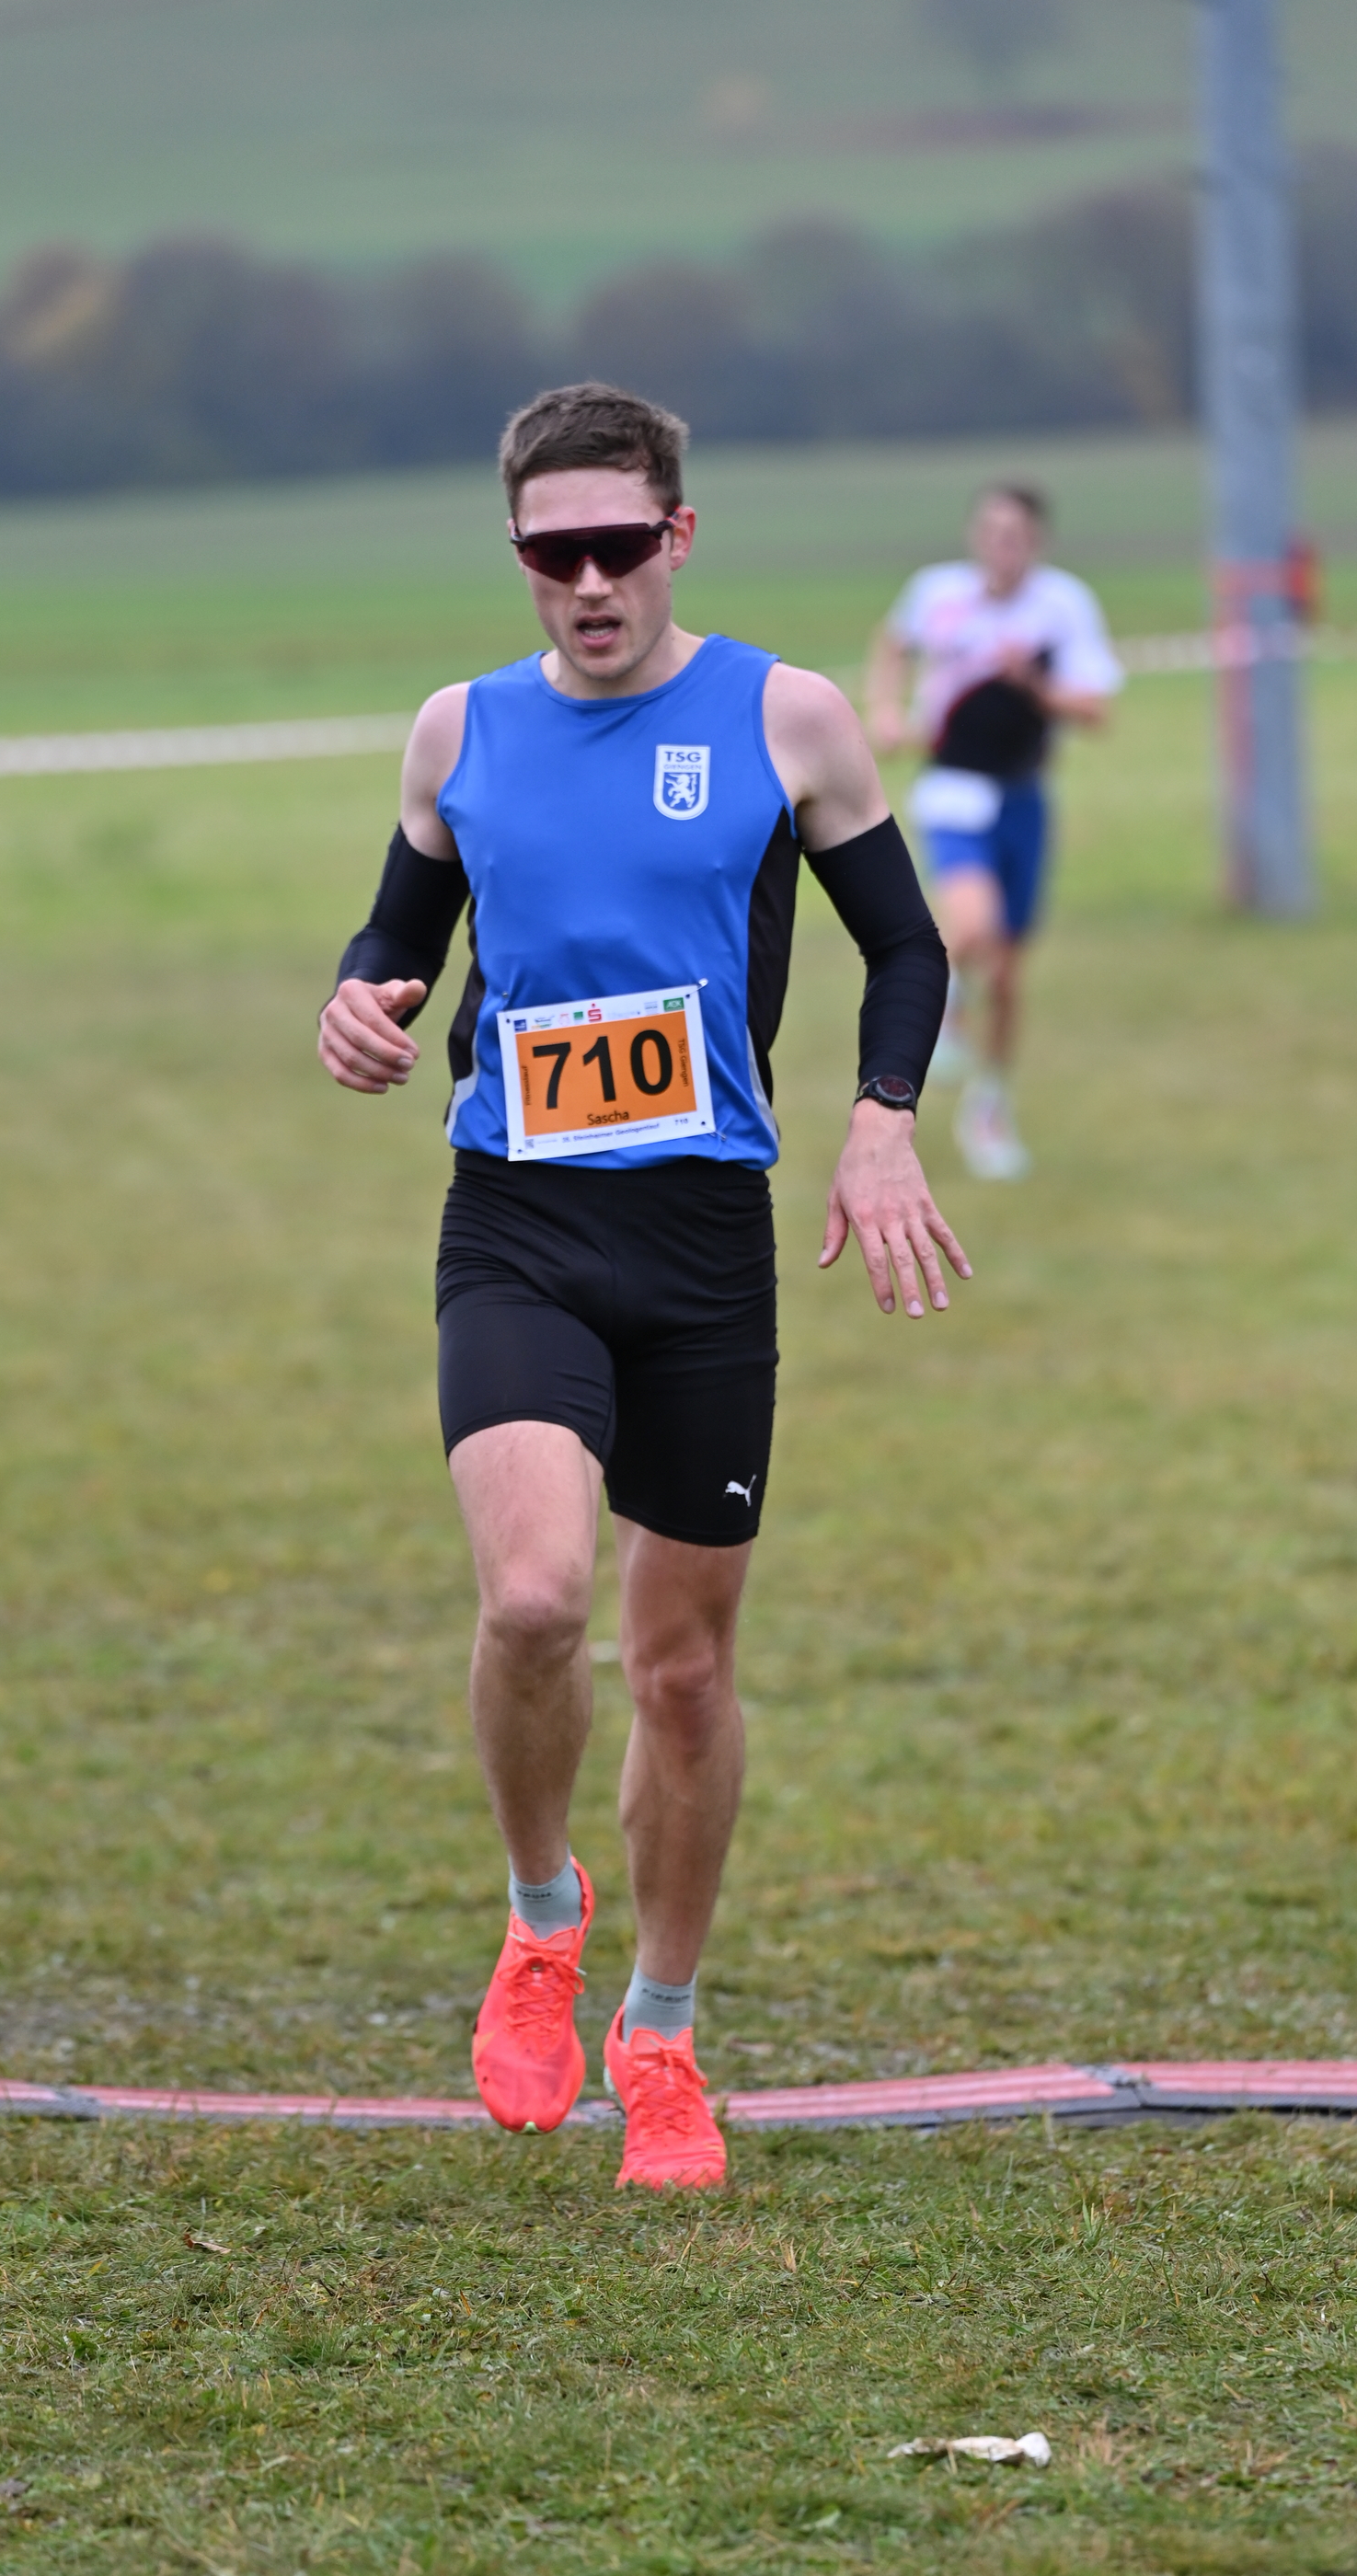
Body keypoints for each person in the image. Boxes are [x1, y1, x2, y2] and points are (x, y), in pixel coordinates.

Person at [317, 381, 969, 2191]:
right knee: (533, 1599)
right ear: (518, 554)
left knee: (680, 1672)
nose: (589, 583)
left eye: (619, 547)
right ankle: (542, 1922)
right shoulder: (458, 733)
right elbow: (397, 936)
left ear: (677, 536)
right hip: (517, 1224)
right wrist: (356, 1000)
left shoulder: (786, 718)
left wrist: (882, 1119)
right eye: (554, 556)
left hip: (699, 1249)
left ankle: (661, 2038)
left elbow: (903, 944)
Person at [867, 483, 1122, 1181]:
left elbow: (1096, 709)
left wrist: (1031, 683)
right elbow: (892, 643)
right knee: (970, 925)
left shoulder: (1061, 607)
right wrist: (887, 710)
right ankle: (946, 1012)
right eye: (990, 531)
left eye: (1014, 535)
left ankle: (990, 1106)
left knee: (1007, 974)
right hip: (952, 785)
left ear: (1035, 543)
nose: (1000, 547)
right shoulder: (937, 593)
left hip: (1021, 795)